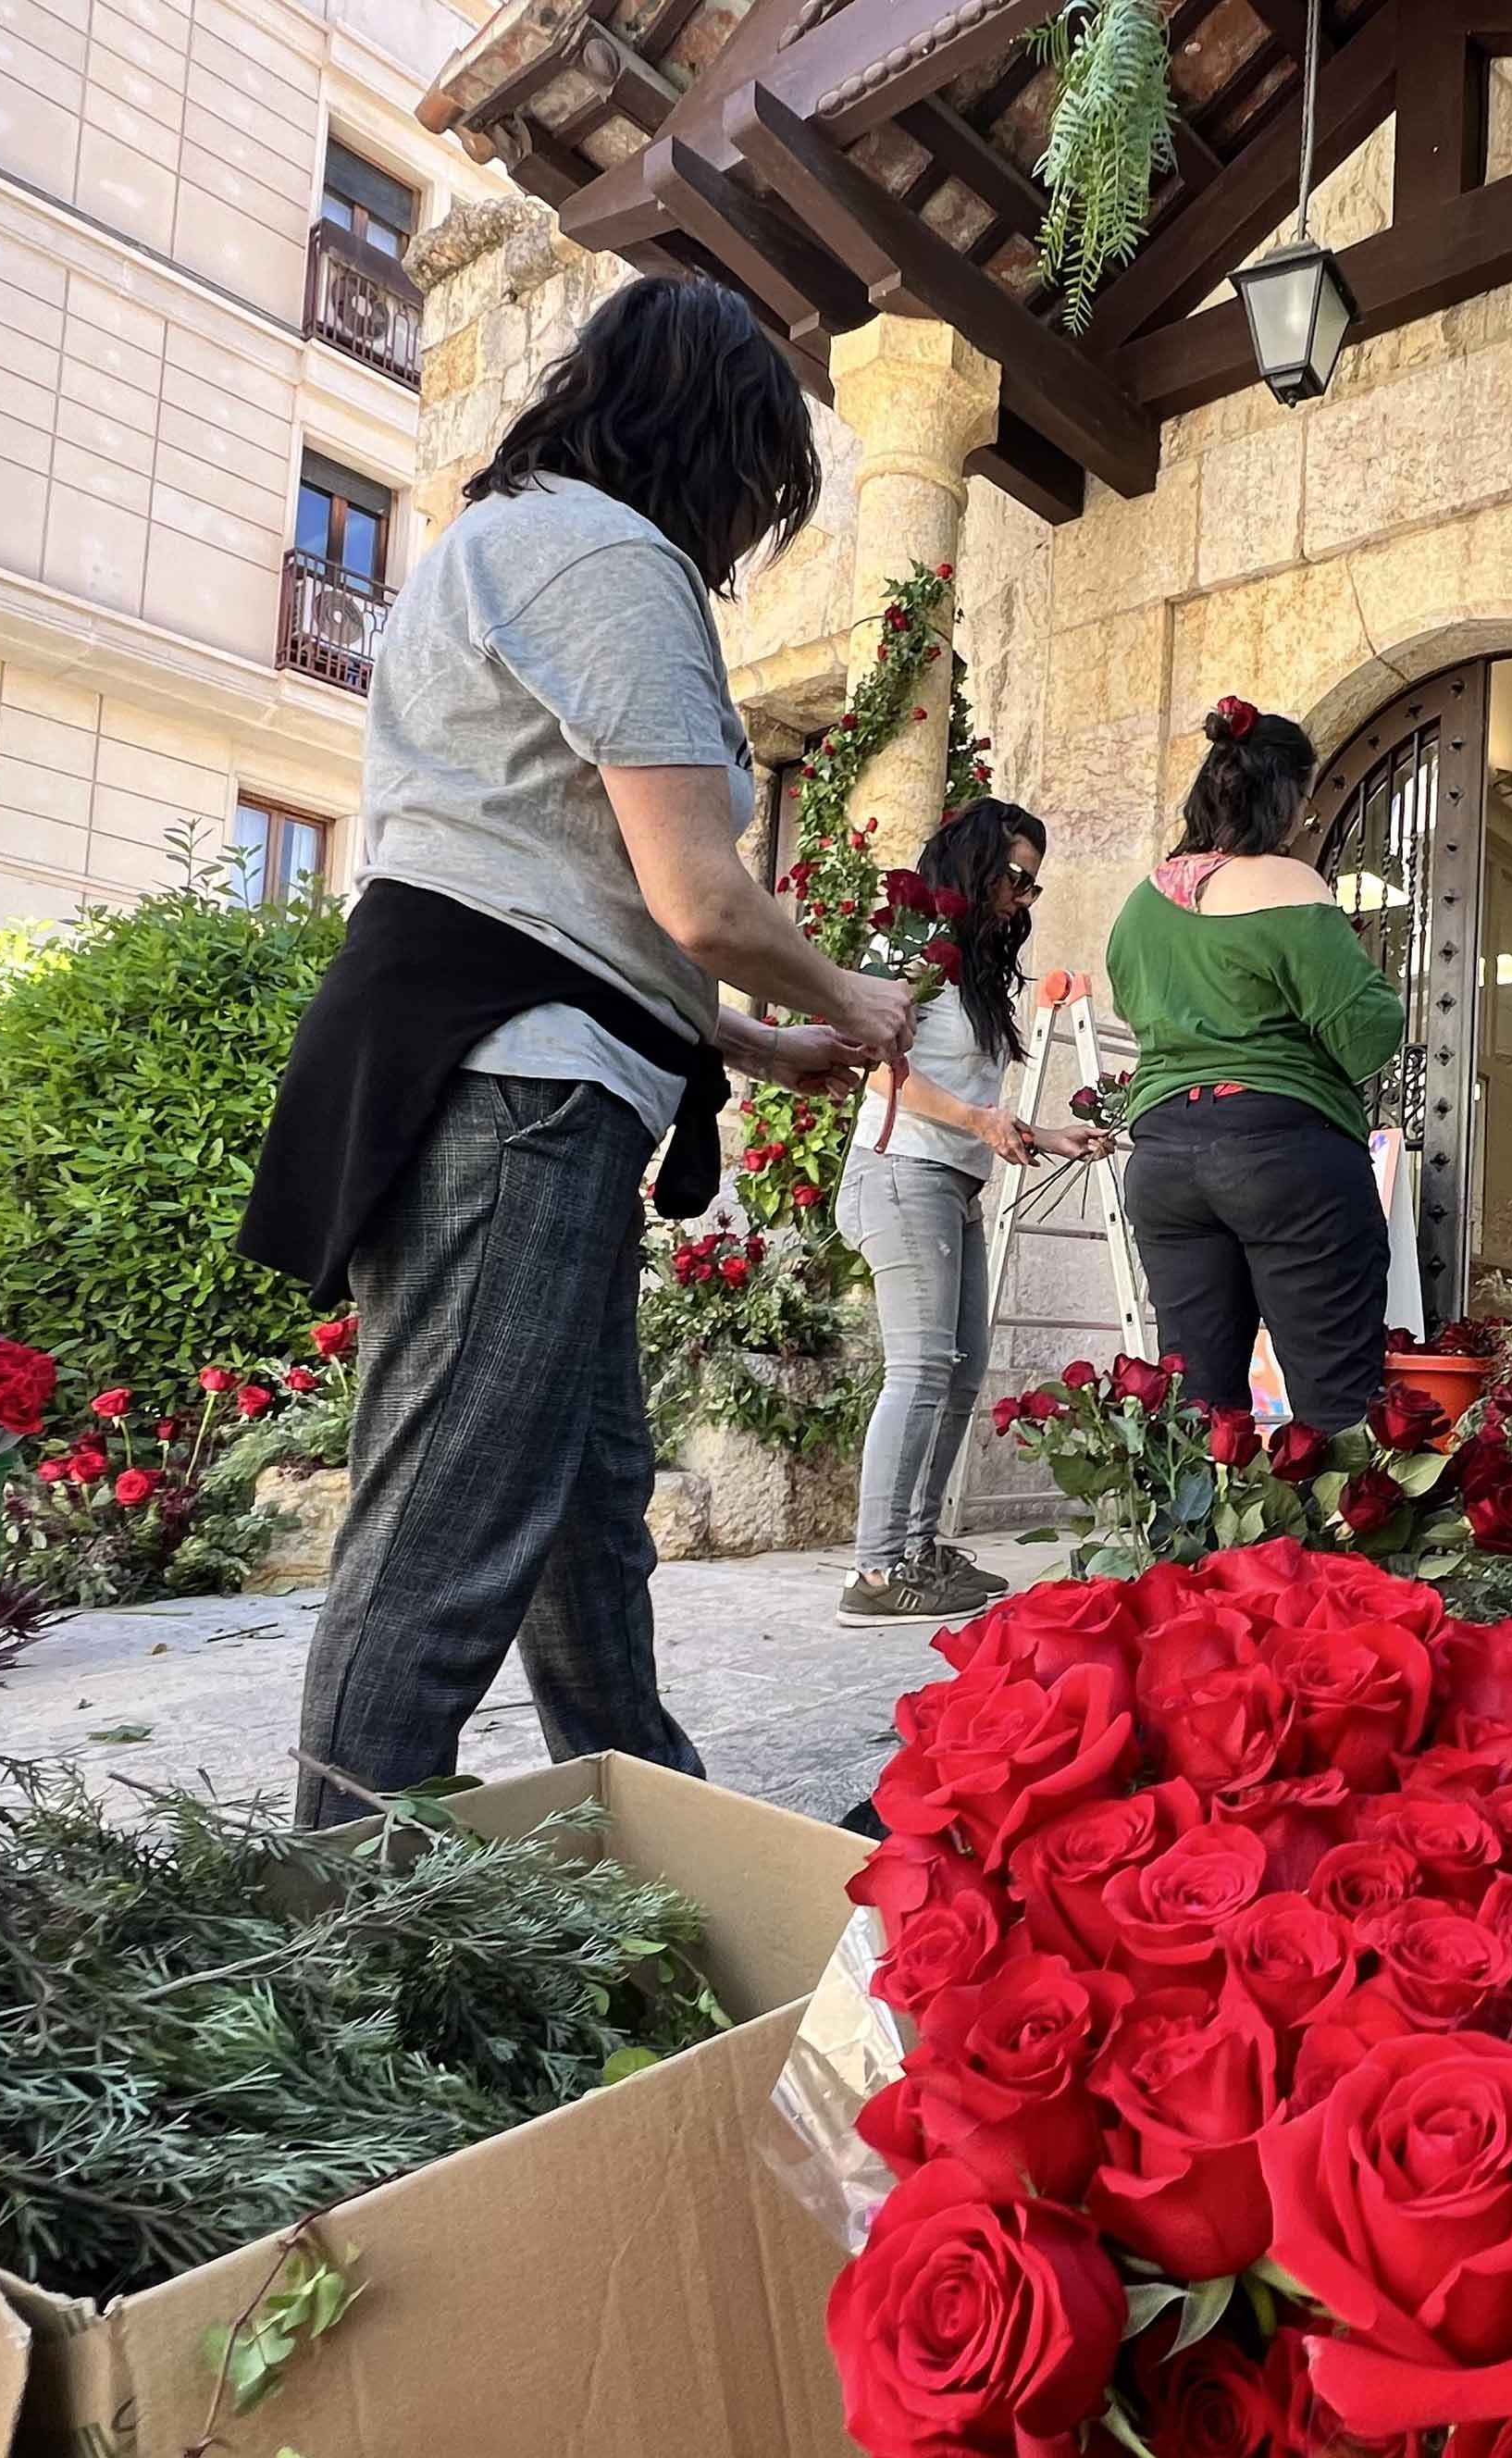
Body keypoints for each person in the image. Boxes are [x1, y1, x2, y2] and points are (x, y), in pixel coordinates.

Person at [239, 275, 913, 1827]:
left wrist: (750, 1040)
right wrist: (853, 997)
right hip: (515, 1091)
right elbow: (700, 896)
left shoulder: (506, 542)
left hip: (510, 1060)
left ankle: (651, 1830)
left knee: (581, 1516)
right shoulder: (609, 555)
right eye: (760, 485)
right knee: (451, 1520)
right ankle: (338, 1902)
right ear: (717, 444)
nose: (747, 530)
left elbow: (556, 893)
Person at [833, 799, 1109, 1628]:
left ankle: (917, 1550)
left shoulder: (974, 967)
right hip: (898, 1169)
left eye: (1033, 885)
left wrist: (1043, 1134)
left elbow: (969, 1096)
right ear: (976, 860)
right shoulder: (909, 942)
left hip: (952, 1180)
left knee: (961, 1370)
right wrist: (979, 1122)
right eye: (1016, 876)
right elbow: (874, 1068)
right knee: (920, 1367)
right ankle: (875, 1569)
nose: (1022, 896)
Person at [1103, 699, 1406, 1436]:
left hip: (1165, 1158)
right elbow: (1368, 1034)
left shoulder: (1141, 905)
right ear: (1289, 798)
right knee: (1337, 1403)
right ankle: (1337, 1514)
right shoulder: (1289, 884)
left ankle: (1187, 1515)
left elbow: (1137, 1006)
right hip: (1283, 1151)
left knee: (1198, 1411)